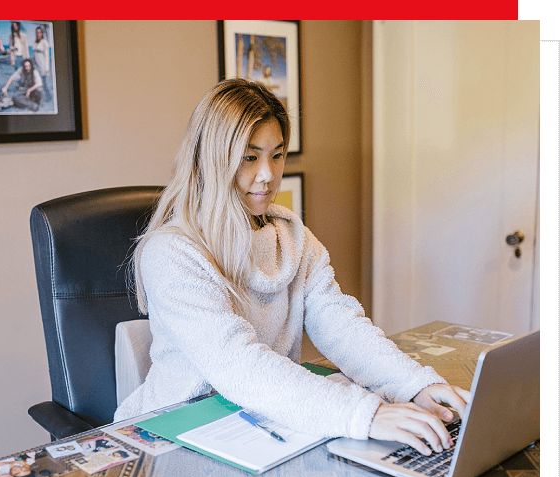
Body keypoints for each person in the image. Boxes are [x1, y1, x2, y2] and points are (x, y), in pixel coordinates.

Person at [113, 78, 470, 457]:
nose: (268, 174)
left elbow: (341, 327)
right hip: (176, 434)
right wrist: (365, 414)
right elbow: (239, 364)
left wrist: (414, 386)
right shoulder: (172, 251)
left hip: (263, 416)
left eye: (277, 155)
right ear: (212, 158)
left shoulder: (292, 238)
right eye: (250, 157)